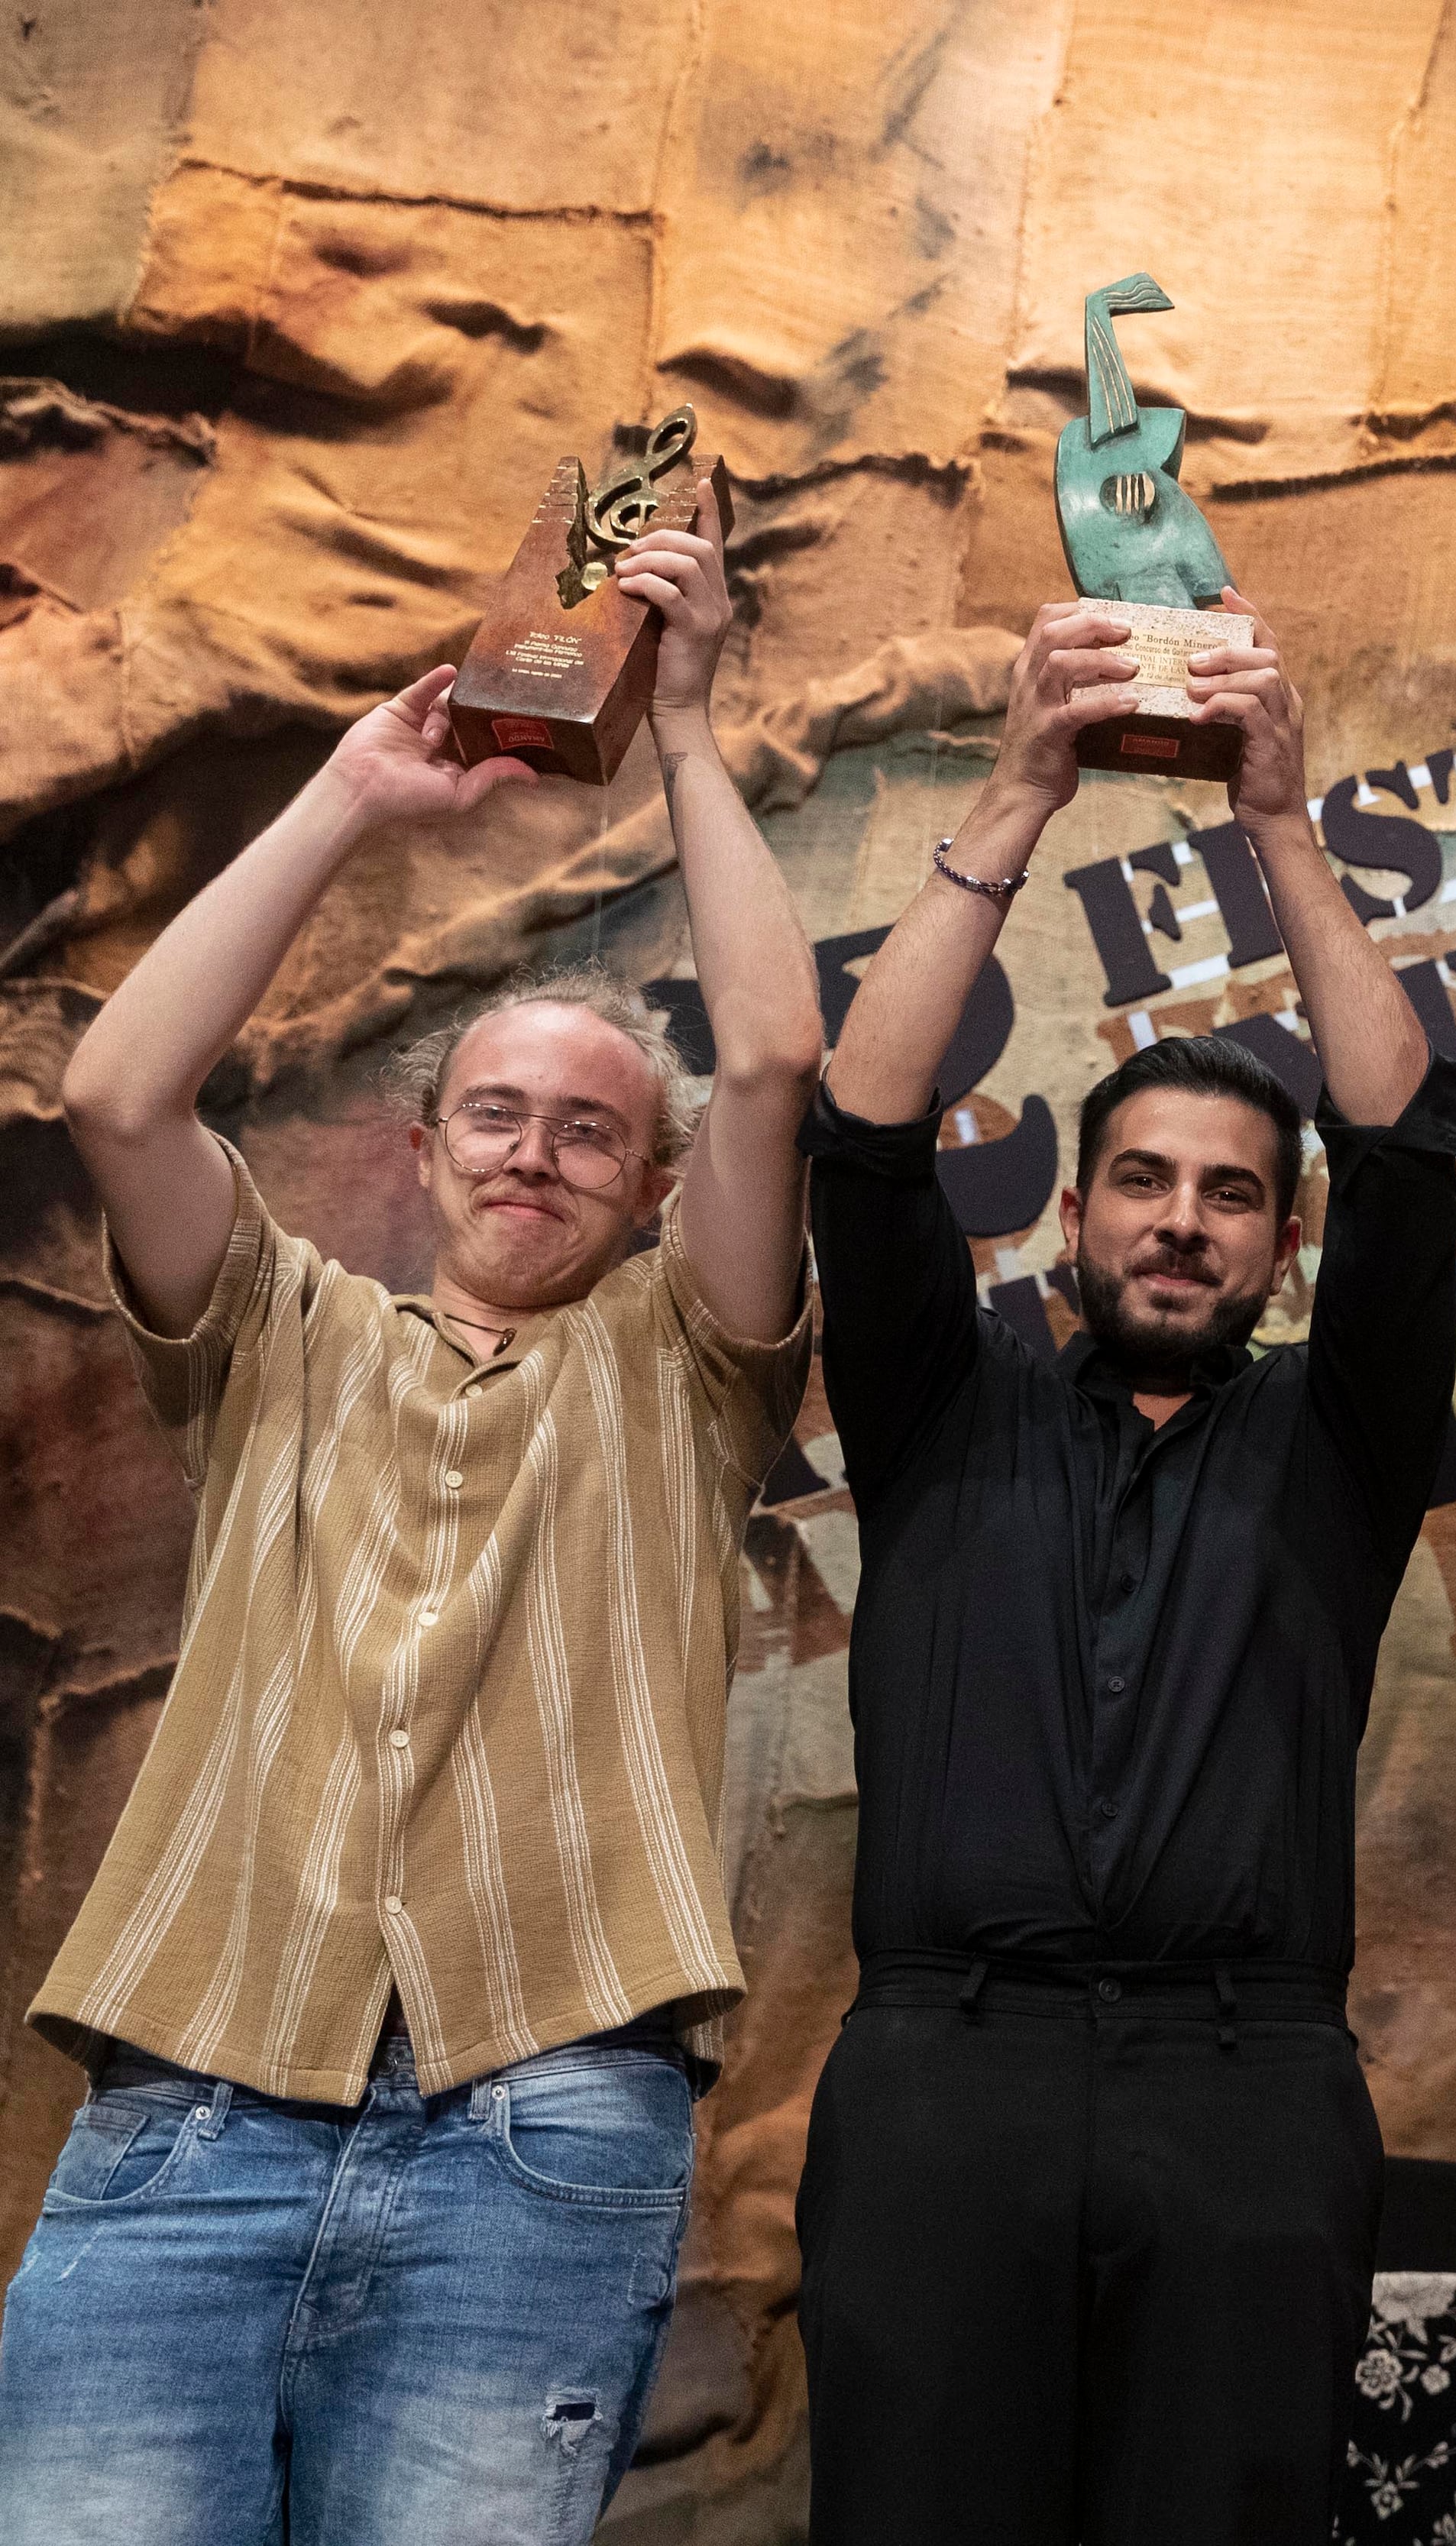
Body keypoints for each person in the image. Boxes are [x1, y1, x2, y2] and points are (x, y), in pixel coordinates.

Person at [0, 486, 818, 2540]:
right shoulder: (284, 1326)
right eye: (497, 1113)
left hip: (535, 2116)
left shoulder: (681, 1361)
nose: (537, 1153)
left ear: (652, 1189)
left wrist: (695, 724)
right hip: (198, 2092)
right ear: (424, 1146)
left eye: (593, 1131)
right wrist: (354, 796)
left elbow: (780, 1060)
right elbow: (115, 1099)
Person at [791, 583, 1456, 2545]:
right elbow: (861, 1127)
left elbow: (1407, 1140)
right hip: (943, 2072)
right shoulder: (946, 1403)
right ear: (1072, 1213)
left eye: (1233, 1196)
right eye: (1146, 1184)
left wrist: (1280, 825)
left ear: (1277, 1246)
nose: (1183, 1226)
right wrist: (1016, 788)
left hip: (1245, 2083)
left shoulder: (1335, 1443)